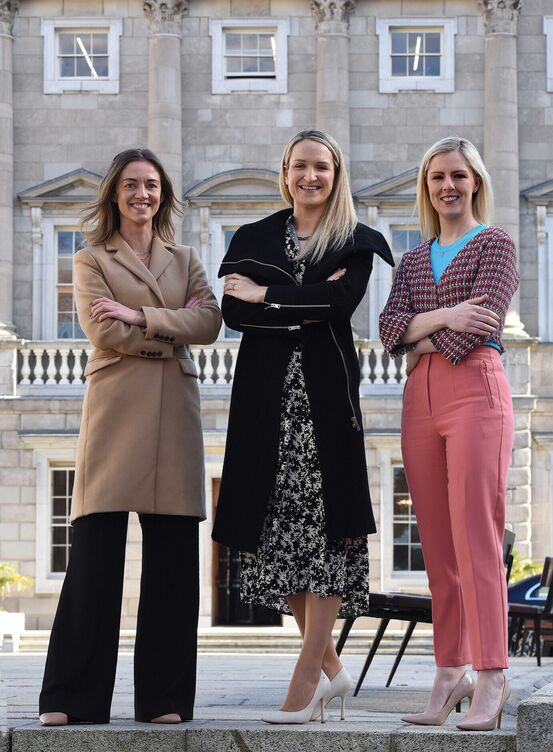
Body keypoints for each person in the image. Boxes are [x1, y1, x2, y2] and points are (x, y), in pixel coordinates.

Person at [212, 129, 394, 724]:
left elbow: (338, 306)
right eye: (299, 166)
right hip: (265, 404)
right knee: (275, 533)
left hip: (326, 405)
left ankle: (306, 679)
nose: (310, 176)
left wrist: (265, 293)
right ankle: (334, 672)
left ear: (336, 175)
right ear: (284, 172)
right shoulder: (253, 236)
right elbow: (233, 313)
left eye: (321, 166)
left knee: (328, 533)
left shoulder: (355, 241)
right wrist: (301, 302)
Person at [39, 148, 221, 725]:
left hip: (174, 410)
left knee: (172, 560)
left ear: (163, 195)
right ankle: (70, 697)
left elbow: (210, 322)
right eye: (131, 185)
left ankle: (164, 699)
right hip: (115, 409)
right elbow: (102, 331)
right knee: (94, 556)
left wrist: (140, 316)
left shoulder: (186, 258)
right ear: (115, 195)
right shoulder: (91, 257)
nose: (142, 194)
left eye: (152, 185)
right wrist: (170, 326)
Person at [379, 137, 519, 732]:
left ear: (476, 182)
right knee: (436, 544)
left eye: (459, 175)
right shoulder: (413, 259)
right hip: (420, 401)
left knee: (476, 538)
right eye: (437, 176)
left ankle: (491, 674)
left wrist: (422, 336)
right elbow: (388, 331)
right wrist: (442, 317)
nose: (448, 186)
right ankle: (448, 671)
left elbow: (480, 324)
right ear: (427, 186)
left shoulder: (495, 245)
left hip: (475, 391)